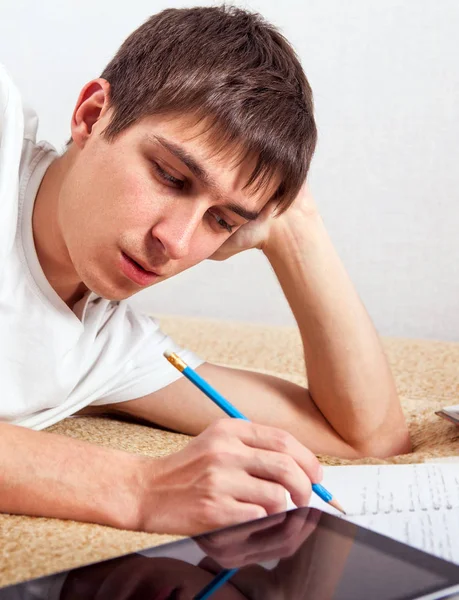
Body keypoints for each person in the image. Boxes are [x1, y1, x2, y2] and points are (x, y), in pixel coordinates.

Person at [0, 6, 410, 536]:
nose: (175, 242)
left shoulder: (108, 350)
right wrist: (138, 488)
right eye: (170, 177)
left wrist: (295, 228)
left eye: (221, 220)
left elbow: (369, 438)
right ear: (92, 114)